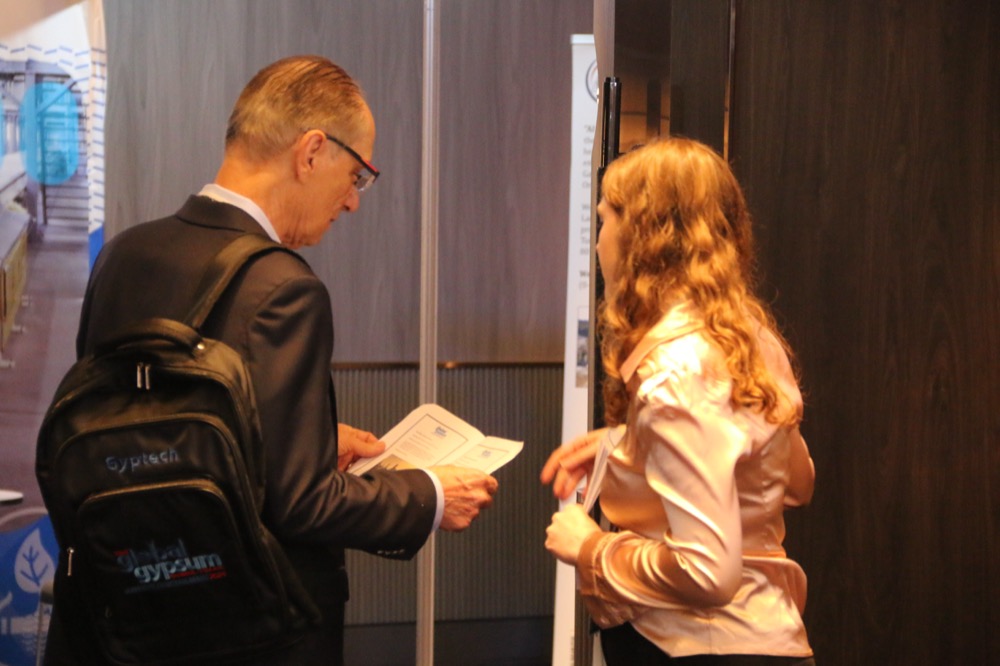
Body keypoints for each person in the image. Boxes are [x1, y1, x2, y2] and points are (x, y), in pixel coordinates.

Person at [46, 55, 499, 665]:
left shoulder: (123, 255)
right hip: (243, 634)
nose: (353, 201)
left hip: (121, 617)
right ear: (311, 152)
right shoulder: (283, 287)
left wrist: (299, 440)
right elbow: (303, 504)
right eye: (358, 174)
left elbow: (136, 427)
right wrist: (430, 494)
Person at [541, 137, 816, 665]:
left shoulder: (674, 373)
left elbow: (708, 572)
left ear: (642, 236)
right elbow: (792, 481)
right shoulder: (751, 339)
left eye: (603, 221)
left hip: (696, 646)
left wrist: (591, 548)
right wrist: (629, 443)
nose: (597, 244)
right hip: (767, 637)